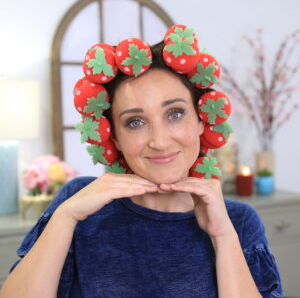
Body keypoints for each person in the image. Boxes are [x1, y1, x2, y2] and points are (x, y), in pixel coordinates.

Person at [0, 25, 284, 298]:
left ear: (201, 120)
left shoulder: (237, 221)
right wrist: (66, 217)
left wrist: (223, 237)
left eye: (174, 113)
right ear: (115, 139)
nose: (159, 141)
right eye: (135, 122)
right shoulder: (77, 201)